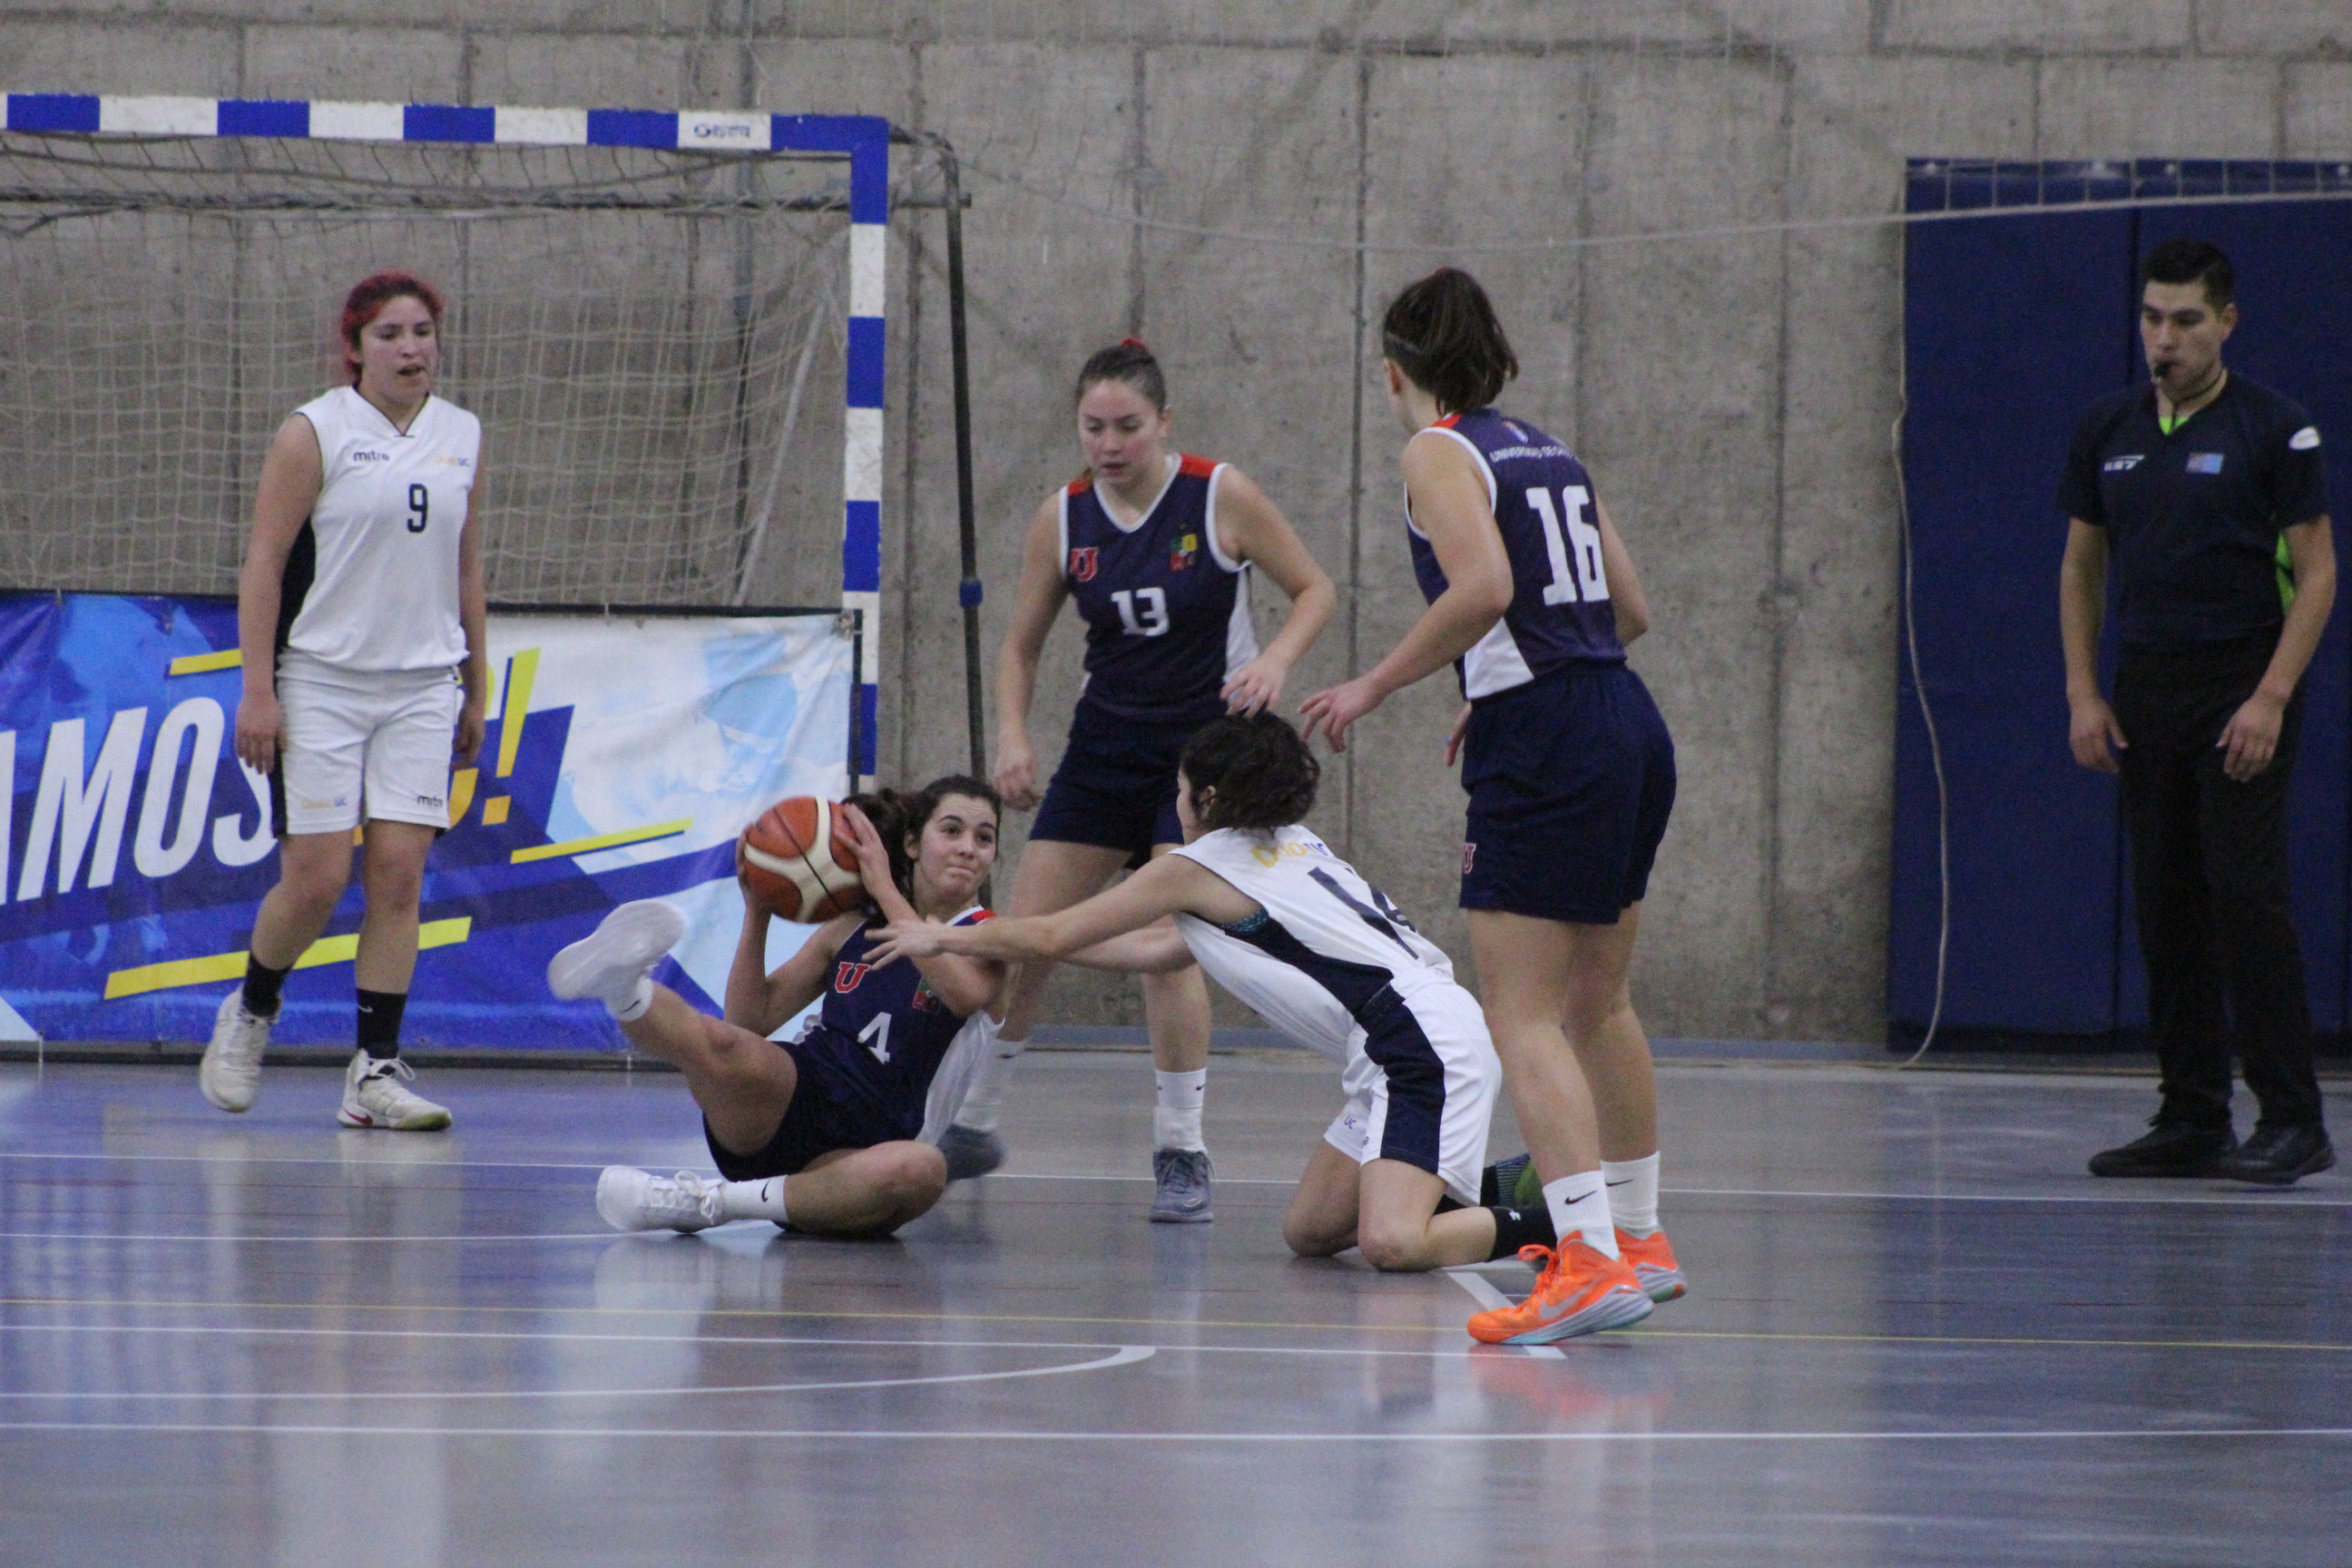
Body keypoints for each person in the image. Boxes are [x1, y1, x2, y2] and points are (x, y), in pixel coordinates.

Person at [874, 715, 1654, 1338]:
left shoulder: (1197, 865)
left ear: (1208, 797)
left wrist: (942, 935)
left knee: (1393, 1244)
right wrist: (1009, 941)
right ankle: (1501, 1181)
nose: (1175, 799)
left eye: (1182, 787)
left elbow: (1049, 930)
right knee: (1311, 1231)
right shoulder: (1288, 847)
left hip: (1420, 1044)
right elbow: (1156, 949)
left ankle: (1563, 1226)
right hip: (1395, 1045)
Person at [1298, 267, 1683, 1341]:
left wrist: (1375, 683)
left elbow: (1486, 591)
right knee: (1600, 1004)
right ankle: (1639, 1239)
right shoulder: (1549, 451)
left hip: (1550, 737)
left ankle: (1586, 1261)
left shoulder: (1437, 451)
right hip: (1624, 716)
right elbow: (1630, 608)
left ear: (1394, 372)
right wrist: (1499, 679)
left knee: (1522, 1013)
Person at [944, 337, 1338, 1223]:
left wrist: (1275, 659)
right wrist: (1013, 735)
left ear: (1164, 422)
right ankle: (973, 1120)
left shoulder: (1218, 494)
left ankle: (1181, 1146)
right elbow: (1020, 644)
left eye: (1127, 426)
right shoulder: (1063, 517)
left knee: (1173, 939)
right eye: (1093, 427)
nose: (1110, 444)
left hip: (1200, 754)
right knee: (1023, 932)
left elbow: (1315, 588)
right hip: (1103, 748)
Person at [2060, 238, 2337, 1186]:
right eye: (2151, 319)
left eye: (2185, 321)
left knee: (2245, 898)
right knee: (2166, 902)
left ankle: (2293, 1119)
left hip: (2241, 684)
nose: (2164, 339)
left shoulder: (2275, 429)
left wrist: (2271, 697)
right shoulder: (2110, 428)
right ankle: (2192, 1115)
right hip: (2149, 687)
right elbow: (2081, 567)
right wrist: (2084, 691)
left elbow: (2319, 573)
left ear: (2226, 322)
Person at [198, 270, 486, 1131]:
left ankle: (374, 1073)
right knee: (318, 880)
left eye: (423, 331)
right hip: (321, 678)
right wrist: (257, 689)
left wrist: (478, 687)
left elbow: (467, 568)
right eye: (390, 334)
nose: (410, 348)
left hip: (423, 685)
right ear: (354, 347)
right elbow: (263, 563)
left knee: (399, 876)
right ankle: (252, 1007)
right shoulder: (313, 432)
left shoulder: (462, 433)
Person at [548, 779, 1005, 1238]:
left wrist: (885, 887)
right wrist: (758, 912)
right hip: (791, 1094)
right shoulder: (852, 929)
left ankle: (710, 1202)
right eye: (952, 831)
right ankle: (624, 989)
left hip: (870, 1152)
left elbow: (964, 995)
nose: (968, 848)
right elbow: (750, 1020)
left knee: (923, 1169)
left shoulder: (991, 937)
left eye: (984, 838)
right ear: (912, 844)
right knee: (724, 1043)